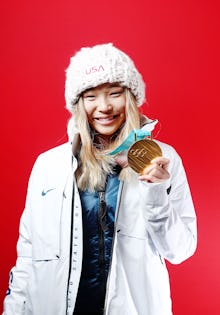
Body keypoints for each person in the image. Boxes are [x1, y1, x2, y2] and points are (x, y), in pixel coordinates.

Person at [3, 43, 197, 315]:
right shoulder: (49, 165)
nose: (104, 107)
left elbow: (180, 250)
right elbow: (28, 255)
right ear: (78, 103)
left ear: (130, 97)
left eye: (114, 93)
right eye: (91, 96)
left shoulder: (164, 159)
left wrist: (156, 192)